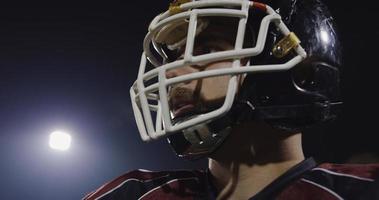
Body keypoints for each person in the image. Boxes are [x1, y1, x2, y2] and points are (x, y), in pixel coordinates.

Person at [83, 0, 379, 199]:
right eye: (171, 58)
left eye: (208, 50)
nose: (174, 73)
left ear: (296, 65)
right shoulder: (134, 194)